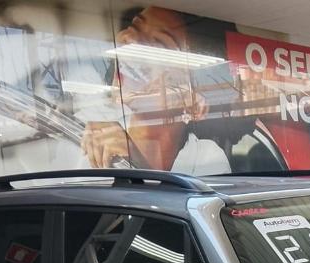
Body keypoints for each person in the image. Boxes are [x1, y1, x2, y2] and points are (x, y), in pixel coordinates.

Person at [81, 6, 236, 174]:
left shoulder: (206, 157)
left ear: (195, 105)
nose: (130, 38)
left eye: (160, 44)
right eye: (134, 27)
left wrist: (135, 162)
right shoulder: (89, 136)